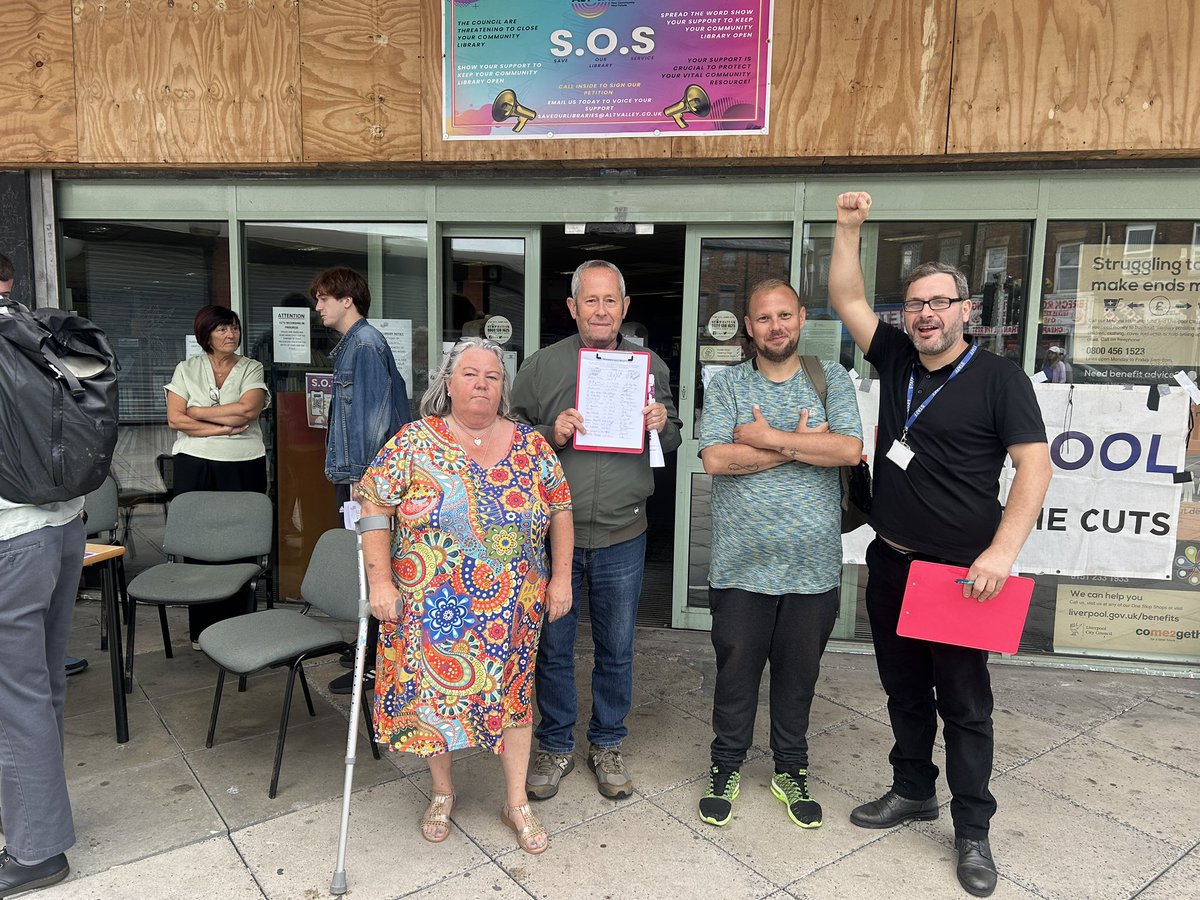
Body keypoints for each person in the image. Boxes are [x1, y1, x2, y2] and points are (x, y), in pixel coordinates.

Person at [830, 192, 1051, 898]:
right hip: (891, 561)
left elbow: (1035, 467)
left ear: (965, 309)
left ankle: (974, 832)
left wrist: (1001, 553)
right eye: (915, 303)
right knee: (902, 691)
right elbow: (844, 294)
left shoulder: (999, 380)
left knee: (964, 704)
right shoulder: (894, 356)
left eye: (939, 302)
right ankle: (911, 790)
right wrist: (847, 227)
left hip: (962, 575)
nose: (925, 314)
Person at [357, 337, 573, 854]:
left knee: (515, 702)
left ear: (504, 389)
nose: (481, 383)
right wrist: (380, 582)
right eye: (470, 374)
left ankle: (515, 801)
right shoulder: (413, 441)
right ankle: (442, 791)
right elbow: (371, 503)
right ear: (447, 384)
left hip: (513, 609)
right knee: (436, 699)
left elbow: (560, 509)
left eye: (492, 376)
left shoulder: (531, 445)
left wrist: (561, 579)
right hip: (434, 607)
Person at [511, 259, 681, 801]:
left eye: (611, 301)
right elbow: (510, 441)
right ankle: (556, 743)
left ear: (625, 308)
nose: (602, 310)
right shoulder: (541, 367)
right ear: (573, 307)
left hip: (623, 534)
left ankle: (607, 743)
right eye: (591, 300)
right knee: (553, 648)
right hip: (552, 538)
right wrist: (548, 431)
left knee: (617, 647)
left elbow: (672, 438)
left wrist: (663, 425)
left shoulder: (649, 364)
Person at [696, 278, 863, 829]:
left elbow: (848, 448)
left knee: (798, 679)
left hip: (812, 567)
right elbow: (716, 460)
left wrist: (767, 440)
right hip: (740, 565)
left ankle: (792, 770)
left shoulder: (830, 377)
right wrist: (800, 448)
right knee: (735, 676)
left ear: (801, 318)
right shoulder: (726, 385)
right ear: (749, 326)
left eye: (784, 316)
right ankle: (725, 766)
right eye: (764, 318)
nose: (775, 327)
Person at [0, 251, 84, 894]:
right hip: (63, 527)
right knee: (41, 687)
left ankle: (36, 848)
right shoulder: (46, 334)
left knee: (14, 698)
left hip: (10, 538)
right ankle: (35, 814)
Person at [310, 266, 411, 694]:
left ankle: (372, 661)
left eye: (324, 298)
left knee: (372, 565)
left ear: (347, 299)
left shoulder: (364, 345)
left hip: (364, 479)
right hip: (363, 476)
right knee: (369, 565)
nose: (318, 307)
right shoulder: (357, 345)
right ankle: (368, 651)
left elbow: (371, 420)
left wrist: (363, 485)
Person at [164, 305, 269, 645]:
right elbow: (176, 419)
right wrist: (222, 428)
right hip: (193, 462)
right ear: (206, 334)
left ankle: (238, 628)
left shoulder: (251, 367)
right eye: (223, 329)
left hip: (244, 460)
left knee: (241, 544)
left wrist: (197, 412)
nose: (230, 335)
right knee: (198, 545)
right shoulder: (187, 368)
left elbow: (249, 408)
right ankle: (202, 631)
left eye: (234, 328)